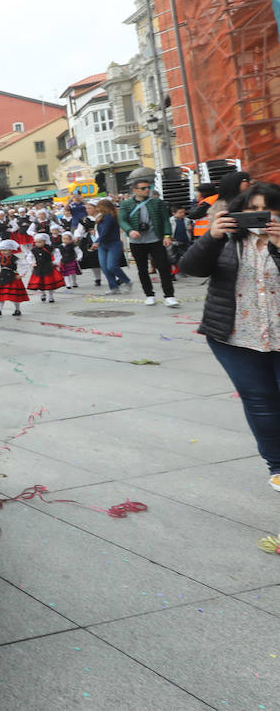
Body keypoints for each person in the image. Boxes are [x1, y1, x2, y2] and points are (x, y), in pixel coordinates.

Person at [179, 181, 280, 494]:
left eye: (268, 207)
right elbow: (189, 269)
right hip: (236, 338)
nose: (259, 214)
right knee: (261, 402)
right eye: (251, 208)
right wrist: (211, 236)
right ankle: (277, 466)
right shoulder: (227, 240)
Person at [119, 174, 179, 307]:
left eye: (149, 187)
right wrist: (130, 230)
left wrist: (167, 235)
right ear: (134, 190)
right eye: (143, 188)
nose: (147, 190)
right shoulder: (126, 204)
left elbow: (165, 220)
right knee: (142, 269)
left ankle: (169, 296)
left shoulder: (157, 202)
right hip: (137, 243)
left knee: (163, 267)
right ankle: (149, 295)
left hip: (156, 240)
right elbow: (122, 220)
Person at [93, 199, 133, 294]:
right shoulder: (102, 216)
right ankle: (113, 287)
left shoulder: (110, 217)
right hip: (103, 245)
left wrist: (97, 241)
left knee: (112, 266)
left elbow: (106, 231)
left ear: (104, 207)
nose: (97, 208)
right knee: (105, 267)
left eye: (99, 206)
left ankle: (127, 281)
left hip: (113, 244)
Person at [0, 239, 28, 317]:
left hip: (13, 277)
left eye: (5, 250)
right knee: (0, 295)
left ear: (10, 250)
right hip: (2, 277)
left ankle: (17, 309)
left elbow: (24, 265)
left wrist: (21, 275)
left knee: (15, 295)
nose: (3, 252)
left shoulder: (15, 258)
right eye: (2, 250)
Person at [27, 233, 64, 303]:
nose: (38, 244)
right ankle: (43, 294)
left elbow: (58, 255)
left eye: (40, 242)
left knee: (50, 283)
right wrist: (32, 263)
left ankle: (51, 296)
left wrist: (55, 262)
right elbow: (29, 257)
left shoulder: (50, 248)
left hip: (48, 267)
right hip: (38, 268)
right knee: (41, 283)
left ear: (44, 241)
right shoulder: (34, 250)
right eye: (36, 242)